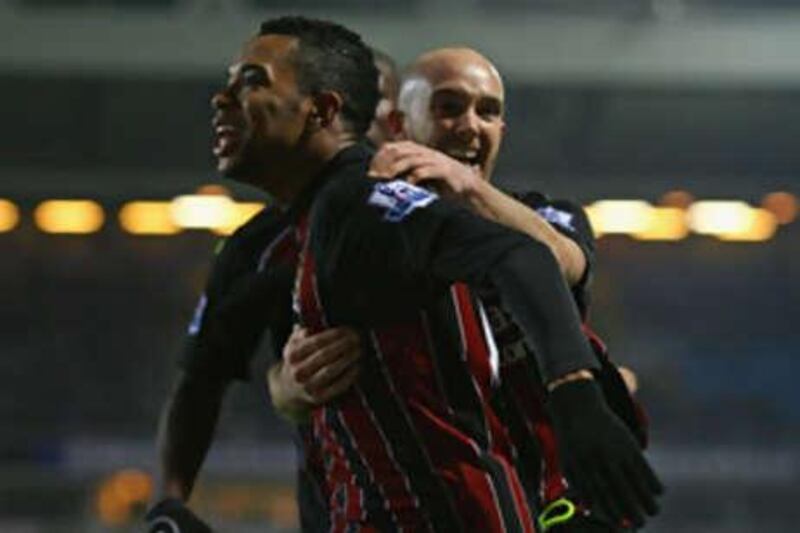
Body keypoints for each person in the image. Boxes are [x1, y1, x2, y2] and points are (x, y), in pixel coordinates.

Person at [275, 47, 648, 531]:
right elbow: (295, 363)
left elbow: (563, 261)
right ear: (398, 127)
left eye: (487, 111)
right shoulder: (363, 238)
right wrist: (288, 387)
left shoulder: (548, 215)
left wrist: (465, 188)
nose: (471, 126)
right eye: (448, 107)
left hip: (562, 509)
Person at [146, 21, 397, 533]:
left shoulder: (436, 217)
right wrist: (169, 502)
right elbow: (200, 381)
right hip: (333, 512)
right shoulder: (256, 247)